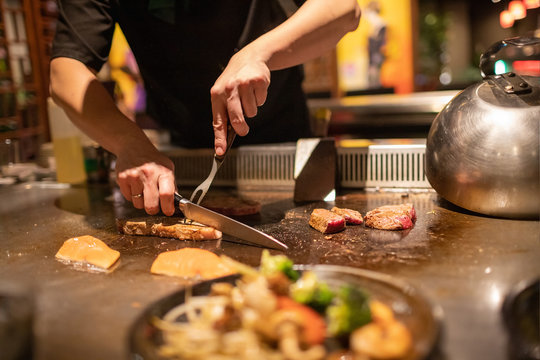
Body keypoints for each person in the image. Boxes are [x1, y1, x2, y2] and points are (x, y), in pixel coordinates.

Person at [49, 0, 361, 216]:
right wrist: (129, 143)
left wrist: (258, 53)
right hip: (176, 158)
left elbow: (345, 9)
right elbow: (65, 71)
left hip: (284, 145)